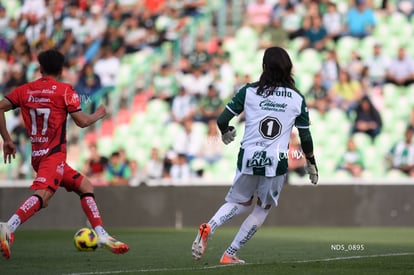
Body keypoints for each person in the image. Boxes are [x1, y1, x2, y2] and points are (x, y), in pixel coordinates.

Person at [191, 47, 318, 264]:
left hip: (248, 157)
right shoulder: (297, 98)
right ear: (289, 69)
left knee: (239, 202)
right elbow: (304, 135)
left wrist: (225, 132)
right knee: (262, 207)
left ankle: (210, 226)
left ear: (264, 67)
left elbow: (222, 120)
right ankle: (229, 254)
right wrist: (311, 162)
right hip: (275, 162)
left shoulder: (248, 91)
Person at [0, 49, 129, 260]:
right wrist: (99, 113)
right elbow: (82, 121)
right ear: (61, 70)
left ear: (40, 69)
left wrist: (6, 139)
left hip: (38, 156)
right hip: (53, 155)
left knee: (85, 186)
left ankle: (102, 235)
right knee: (44, 195)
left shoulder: (24, 90)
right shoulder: (64, 91)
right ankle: (9, 226)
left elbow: (0, 107)